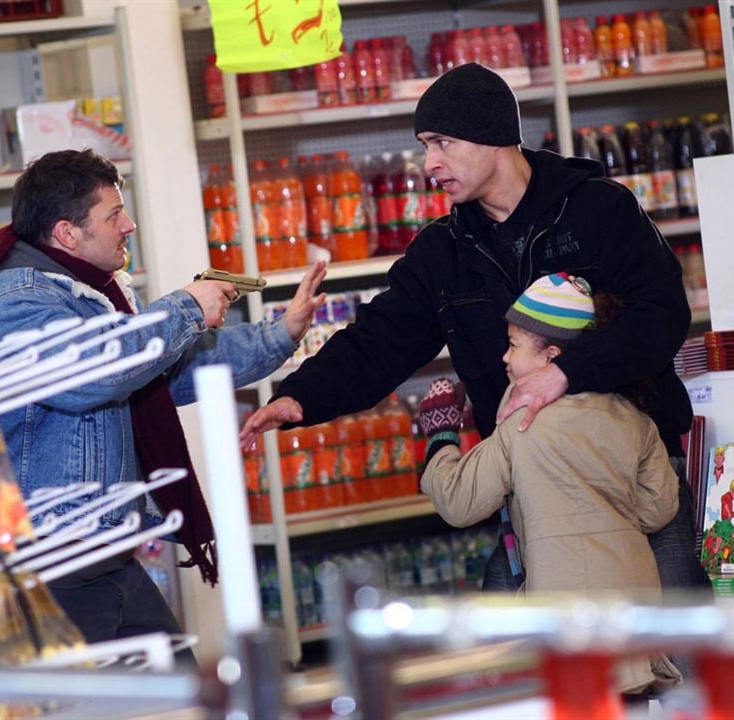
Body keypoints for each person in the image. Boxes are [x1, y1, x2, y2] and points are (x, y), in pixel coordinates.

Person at [240, 62, 705, 593]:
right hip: (529, 487)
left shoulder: (599, 210)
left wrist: (567, 374)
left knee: (679, 642)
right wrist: (299, 397)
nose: (428, 164)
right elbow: (380, 338)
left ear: (493, 137)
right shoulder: (443, 250)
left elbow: (661, 313)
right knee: (525, 651)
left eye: (441, 142)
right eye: (423, 146)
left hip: (632, 472)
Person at [0, 149, 327, 658]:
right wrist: (185, 306)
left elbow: (171, 370)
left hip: (103, 553)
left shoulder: (93, 291)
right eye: (114, 215)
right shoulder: (15, 300)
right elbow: (91, 373)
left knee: (179, 697)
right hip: (51, 563)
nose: (130, 225)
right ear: (67, 234)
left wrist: (283, 333)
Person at [415, 273, 681, 694]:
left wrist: (441, 436)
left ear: (551, 356)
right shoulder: (635, 420)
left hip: (565, 620)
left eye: (514, 345)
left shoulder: (522, 424)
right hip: (633, 611)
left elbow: (458, 501)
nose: (504, 357)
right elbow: (658, 508)